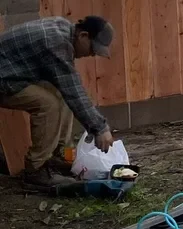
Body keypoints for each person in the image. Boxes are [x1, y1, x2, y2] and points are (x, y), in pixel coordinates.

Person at [0, 16, 115, 189]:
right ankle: (35, 170)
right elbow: (75, 93)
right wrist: (100, 128)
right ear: (83, 36)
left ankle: (56, 156)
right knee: (48, 104)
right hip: (4, 80)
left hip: (12, 75)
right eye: (92, 49)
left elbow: (70, 90)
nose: (91, 54)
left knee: (60, 94)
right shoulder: (56, 44)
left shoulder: (63, 29)